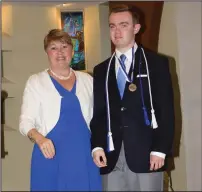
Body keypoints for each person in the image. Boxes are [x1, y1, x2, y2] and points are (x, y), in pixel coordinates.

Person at [90, 4, 175, 191]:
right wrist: (96, 146)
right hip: (111, 155)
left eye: (123, 25)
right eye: (112, 26)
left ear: (136, 28)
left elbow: (166, 111)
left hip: (146, 153)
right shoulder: (101, 70)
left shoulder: (155, 63)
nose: (117, 31)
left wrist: (160, 149)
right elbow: (99, 113)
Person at [19, 29, 102, 191]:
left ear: (72, 51)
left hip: (84, 156)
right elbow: (25, 121)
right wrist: (40, 139)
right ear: (47, 52)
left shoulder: (88, 80)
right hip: (50, 156)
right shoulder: (36, 82)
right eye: (53, 47)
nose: (60, 52)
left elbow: (99, 118)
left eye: (64, 47)